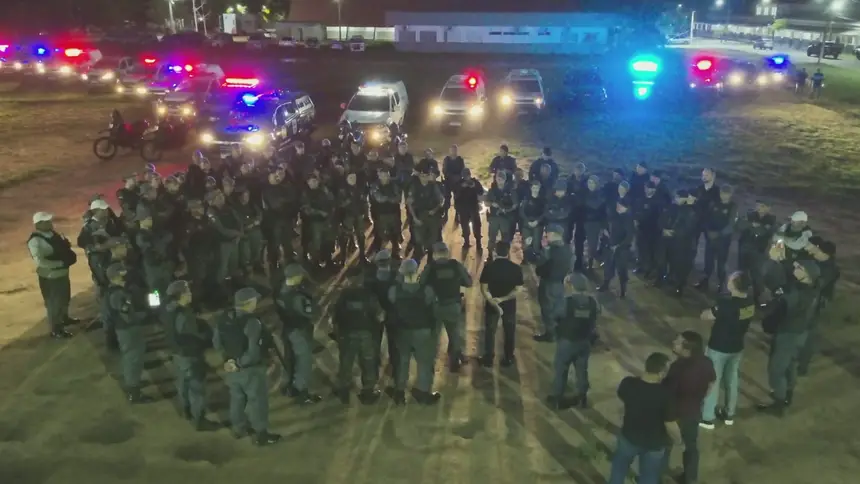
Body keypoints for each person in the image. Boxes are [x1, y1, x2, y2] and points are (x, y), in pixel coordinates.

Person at [213, 287, 281, 445]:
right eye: (254, 300)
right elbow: (254, 351)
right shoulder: (252, 322)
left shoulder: (223, 318)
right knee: (257, 402)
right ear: (248, 303)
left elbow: (216, 343)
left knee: (237, 399)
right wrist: (239, 363)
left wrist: (228, 361)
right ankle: (261, 435)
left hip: (231, 368)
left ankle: (238, 429)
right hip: (250, 369)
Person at [758, 259, 821, 416]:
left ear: (807, 274)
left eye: (800, 267)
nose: (796, 267)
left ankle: (779, 403)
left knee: (776, 369)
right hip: (800, 332)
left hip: (787, 333)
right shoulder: (812, 289)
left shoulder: (797, 294)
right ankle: (787, 394)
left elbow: (781, 309)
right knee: (790, 364)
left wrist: (768, 320)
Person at [607, 352, 677, 484]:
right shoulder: (666, 395)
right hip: (654, 443)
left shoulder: (628, 384)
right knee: (649, 477)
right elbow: (670, 424)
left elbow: (622, 395)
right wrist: (679, 440)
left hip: (629, 437)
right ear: (662, 373)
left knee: (619, 469)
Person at [699, 271, 755, 429]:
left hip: (718, 347)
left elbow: (706, 316)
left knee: (712, 381)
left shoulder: (726, 304)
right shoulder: (750, 302)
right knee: (732, 380)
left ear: (734, 285)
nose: (727, 281)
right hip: (737, 346)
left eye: (730, 279)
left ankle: (707, 417)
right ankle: (729, 413)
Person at [162, 280, 218, 431]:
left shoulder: (169, 310)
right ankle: (199, 419)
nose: (190, 294)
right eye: (188, 292)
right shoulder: (184, 315)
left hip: (177, 354)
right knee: (197, 389)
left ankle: (186, 410)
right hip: (190, 355)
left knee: (183, 384)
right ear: (180, 295)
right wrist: (207, 339)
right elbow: (190, 336)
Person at [662, 331, 715, 484]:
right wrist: (700, 398)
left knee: (665, 446)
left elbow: (666, 393)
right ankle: (690, 479)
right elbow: (711, 383)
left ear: (687, 350)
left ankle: (659, 477)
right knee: (691, 447)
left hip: (675, 414)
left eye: (678, 342)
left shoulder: (677, 368)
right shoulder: (706, 362)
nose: (673, 342)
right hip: (693, 412)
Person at [388, 259, 439, 405]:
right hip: (422, 331)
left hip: (402, 330)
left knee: (402, 362)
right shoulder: (426, 290)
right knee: (424, 363)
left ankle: (399, 393)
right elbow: (433, 311)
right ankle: (423, 393)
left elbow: (392, 306)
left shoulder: (394, 290)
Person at [548, 274, 599, 409]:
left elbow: (554, 316)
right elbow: (595, 318)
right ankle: (582, 397)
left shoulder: (566, 301)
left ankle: (558, 398)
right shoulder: (592, 301)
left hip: (566, 342)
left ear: (570, 285)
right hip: (584, 342)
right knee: (582, 370)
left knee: (561, 370)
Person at [419, 242, 473, 372]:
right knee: (454, 334)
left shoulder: (430, 268)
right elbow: (469, 282)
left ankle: (428, 365)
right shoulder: (455, 266)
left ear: (436, 254)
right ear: (447, 253)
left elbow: (421, 285)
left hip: (435, 307)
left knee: (433, 337)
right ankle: (455, 363)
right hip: (453, 305)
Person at [332, 272, 383, 404]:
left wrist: (337, 331)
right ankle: (368, 391)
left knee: (346, 361)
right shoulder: (369, 295)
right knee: (367, 362)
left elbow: (336, 315)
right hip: (366, 333)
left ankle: (343, 390)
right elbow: (379, 316)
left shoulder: (344, 295)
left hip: (347, 333)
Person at [275, 263, 323, 404]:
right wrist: (314, 304)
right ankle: (302, 392)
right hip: (299, 331)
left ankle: (289, 386)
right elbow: (311, 314)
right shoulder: (297, 297)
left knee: (290, 360)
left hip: (287, 329)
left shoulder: (279, 291)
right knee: (304, 362)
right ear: (295, 277)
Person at [106, 263, 153, 403]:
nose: (125, 276)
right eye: (122, 274)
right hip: (128, 329)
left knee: (132, 358)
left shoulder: (118, 291)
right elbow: (128, 315)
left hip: (127, 328)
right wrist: (145, 315)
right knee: (133, 359)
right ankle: (134, 392)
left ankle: (133, 383)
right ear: (115, 277)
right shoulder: (118, 294)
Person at [28, 211, 77, 339]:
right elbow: (40, 261)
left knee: (65, 298)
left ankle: (64, 318)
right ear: (38, 224)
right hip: (50, 277)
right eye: (46, 221)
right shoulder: (35, 240)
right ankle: (56, 329)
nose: (50, 223)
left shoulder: (53, 234)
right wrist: (61, 263)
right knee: (53, 303)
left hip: (62, 273)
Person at [798, 237, 839, 375]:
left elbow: (818, 284)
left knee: (808, 334)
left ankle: (802, 365)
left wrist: (804, 279)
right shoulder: (819, 262)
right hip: (811, 302)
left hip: (816, 304)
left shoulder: (829, 268)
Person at [478, 241, 524, 367]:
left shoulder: (489, 268)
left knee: (490, 331)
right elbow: (518, 289)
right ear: (508, 252)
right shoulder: (516, 268)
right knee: (509, 331)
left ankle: (488, 358)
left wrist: (493, 301)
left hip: (491, 305)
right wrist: (503, 299)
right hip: (509, 305)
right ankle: (508, 357)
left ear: (495, 252)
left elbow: (484, 288)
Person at [534, 224, 572, 342]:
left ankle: (550, 335)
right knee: (558, 307)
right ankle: (559, 331)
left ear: (553, 235)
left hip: (548, 283)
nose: (545, 235)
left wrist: (544, 250)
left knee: (547, 309)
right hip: (560, 283)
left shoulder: (550, 250)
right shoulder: (567, 248)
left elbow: (540, 266)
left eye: (547, 233)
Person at [695, 184, 737, 292]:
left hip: (723, 240)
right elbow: (707, 218)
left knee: (721, 263)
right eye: (722, 193)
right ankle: (705, 282)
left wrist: (718, 234)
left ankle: (720, 285)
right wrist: (708, 231)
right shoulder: (714, 203)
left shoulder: (732, 207)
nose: (724, 196)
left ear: (730, 194)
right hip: (711, 238)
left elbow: (731, 224)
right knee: (708, 261)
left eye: (726, 193)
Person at [598, 198, 635, 298]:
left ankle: (623, 290)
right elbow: (608, 226)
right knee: (608, 267)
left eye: (620, 206)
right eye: (617, 205)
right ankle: (606, 284)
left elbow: (629, 236)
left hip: (622, 249)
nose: (618, 207)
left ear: (626, 208)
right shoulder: (614, 216)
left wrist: (619, 246)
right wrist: (606, 233)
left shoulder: (628, 219)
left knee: (621, 270)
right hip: (610, 246)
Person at [407, 165, 445, 262]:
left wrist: (435, 210)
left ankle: (430, 262)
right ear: (419, 176)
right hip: (419, 215)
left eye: (426, 175)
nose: (424, 177)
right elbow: (409, 203)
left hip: (432, 215)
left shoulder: (433, 186)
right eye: (422, 175)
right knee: (419, 240)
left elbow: (441, 200)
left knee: (433, 240)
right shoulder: (414, 186)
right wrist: (414, 218)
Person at [484, 170, 519, 260]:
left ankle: (506, 255)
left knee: (505, 238)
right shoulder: (492, 190)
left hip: (505, 218)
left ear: (505, 179)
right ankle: (490, 255)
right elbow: (486, 203)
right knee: (492, 237)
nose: (499, 180)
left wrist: (506, 209)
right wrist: (492, 204)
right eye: (498, 178)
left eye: (501, 178)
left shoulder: (510, 191)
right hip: (494, 217)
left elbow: (515, 205)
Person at [633, 182, 664, 279]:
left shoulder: (657, 202)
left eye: (650, 188)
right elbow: (636, 211)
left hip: (652, 230)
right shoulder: (641, 200)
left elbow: (659, 216)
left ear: (654, 190)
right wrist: (635, 220)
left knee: (650, 251)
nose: (647, 190)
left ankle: (650, 269)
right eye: (646, 188)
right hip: (641, 229)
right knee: (641, 249)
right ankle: (641, 266)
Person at [453, 168, 485, 250]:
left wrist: (474, 186)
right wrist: (461, 187)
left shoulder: (475, 182)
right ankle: (466, 242)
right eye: (465, 176)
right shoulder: (459, 183)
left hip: (473, 207)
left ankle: (478, 242)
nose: (466, 178)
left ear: (470, 175)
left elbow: (481, 192)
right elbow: (455, 194)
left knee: (477, 226)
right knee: (464, 226)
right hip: (463, 208)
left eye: (467, 175)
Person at [519, 179, 545, 262]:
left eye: (537, 188)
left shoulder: (542, 200)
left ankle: (536, 259)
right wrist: (527, 221)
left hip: (538, 224)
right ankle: (526, 259)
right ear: (531, 188)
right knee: (526, 242)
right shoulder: (526, 199)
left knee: (536, 243)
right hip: (527, 223)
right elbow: (522, 211)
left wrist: (537, 221)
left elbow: (544, 213)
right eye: (534, 188)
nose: (535, 190)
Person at [441, 144, 465, 219]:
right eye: (452, 150)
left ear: (456, 151)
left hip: (457, 182)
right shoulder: (446, 159)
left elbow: (463, 170)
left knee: (457, 199)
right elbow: (444, 170)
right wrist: (451, 176)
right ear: (449, 151)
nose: (453, 151)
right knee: (447, 198)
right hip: (448, 181)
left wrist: (458, 177)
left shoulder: (460, 159)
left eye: (455, 150)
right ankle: (446, 214)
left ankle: (457, 215)